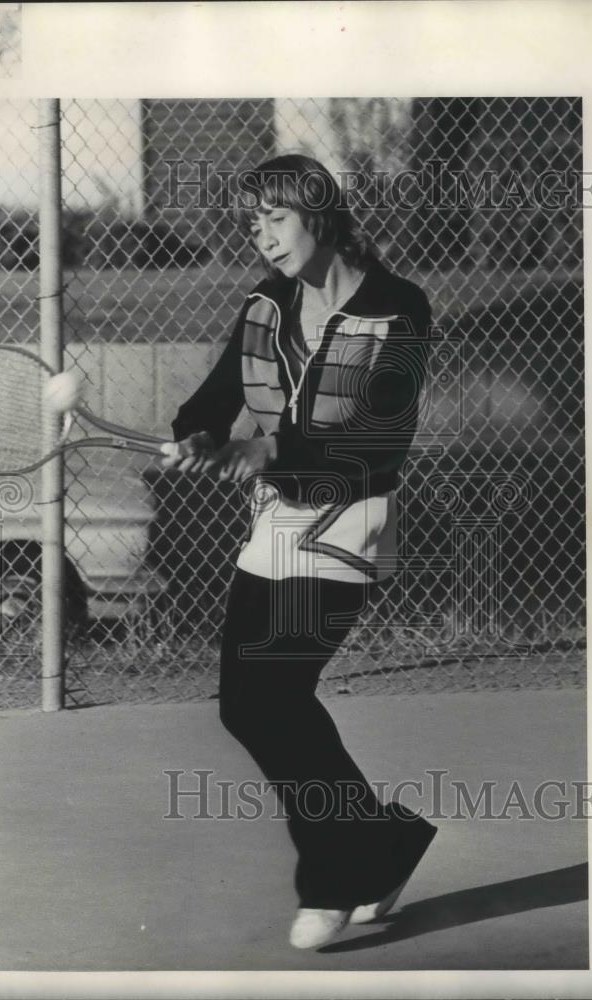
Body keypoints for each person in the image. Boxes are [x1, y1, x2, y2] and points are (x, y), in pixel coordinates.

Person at [161, 153, 437, 950]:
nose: (261, 236)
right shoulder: (266, 302)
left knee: (276, 698)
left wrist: (268, 453)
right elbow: (218, 395)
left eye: (273, 218)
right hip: (278, 520)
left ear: (319, 215)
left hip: (350, 520)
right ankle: (380, 843)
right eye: (252, 222)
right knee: (246, 705)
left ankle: (334, 873)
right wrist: (199, 435)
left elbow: (377, 436)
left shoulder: (396, 309)